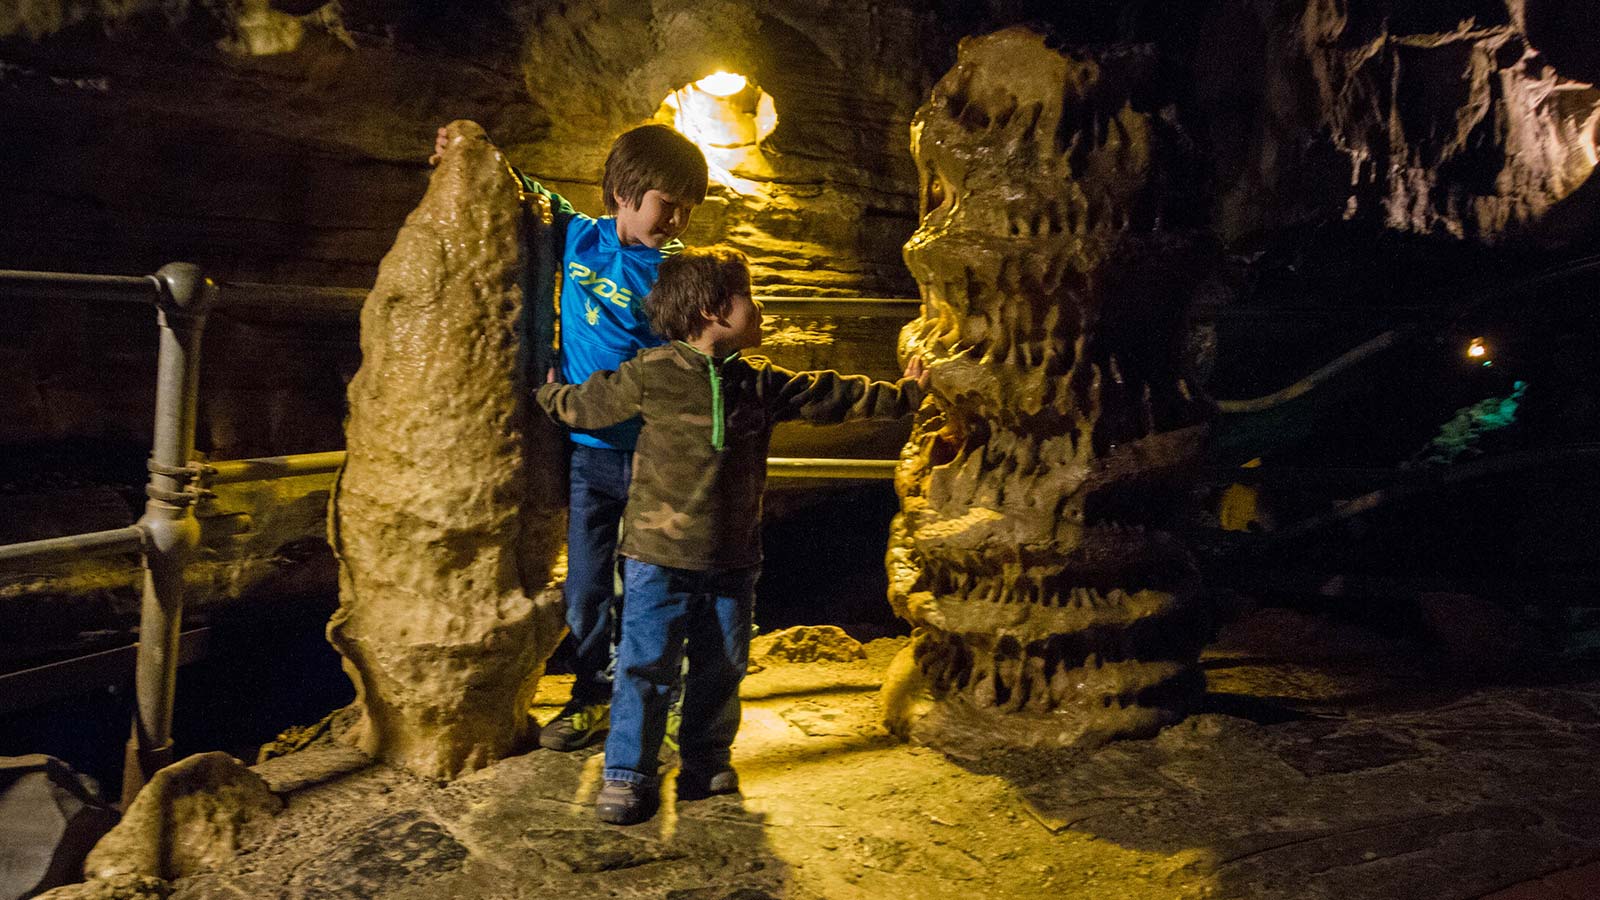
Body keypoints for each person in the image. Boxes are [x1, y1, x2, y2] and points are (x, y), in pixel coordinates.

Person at [533, 247, 930, 825]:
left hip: (732, 559)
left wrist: (904, 394)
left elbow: (829, 397)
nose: (759, 306)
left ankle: (706, 757)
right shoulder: (651, 374)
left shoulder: (759, 383)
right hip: (655, 558)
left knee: (723, 665)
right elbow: (590, 405)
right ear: (714, 309)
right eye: (749, 295)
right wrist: (548, 395)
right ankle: (626, 774)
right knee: (645, 666)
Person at [433, 122, 709, 752]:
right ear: (622, 192)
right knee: (585, 587)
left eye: (688, 209)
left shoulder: (676, 276)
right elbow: (525, 193)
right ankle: (591, 695)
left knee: (655, 582)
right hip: (590, 457)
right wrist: (467, 152)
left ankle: (666, 698)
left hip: (656, 458)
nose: (678, 221)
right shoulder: (580, 237)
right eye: (669, 204)